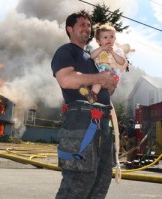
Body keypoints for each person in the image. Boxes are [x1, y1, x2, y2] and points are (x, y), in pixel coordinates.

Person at [51, 10, 117, 198]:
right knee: (78, 181)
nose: (87, 28)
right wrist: (99, 78)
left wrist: (109, 84)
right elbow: (66, 80)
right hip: (81, 121)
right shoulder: (66, 51)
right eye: (82, 24)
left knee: (101, 180)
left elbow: (102, 89)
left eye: (89, 25)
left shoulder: (91, 58)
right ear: (69, 29)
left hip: (102, 122)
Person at [79, 23, 127, 103]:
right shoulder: (99, 51)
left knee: (100, 81)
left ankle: (95, 96)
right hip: (100, 76)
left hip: (112, 75)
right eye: (105, 37)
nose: (109, 39)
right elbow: (91, 57)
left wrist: (113, 53)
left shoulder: (117, 50)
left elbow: (122, 62)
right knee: (97, 81)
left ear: (115, 39)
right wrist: (101, 48)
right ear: (98, 41)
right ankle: (92, 96)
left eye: (111, 37)